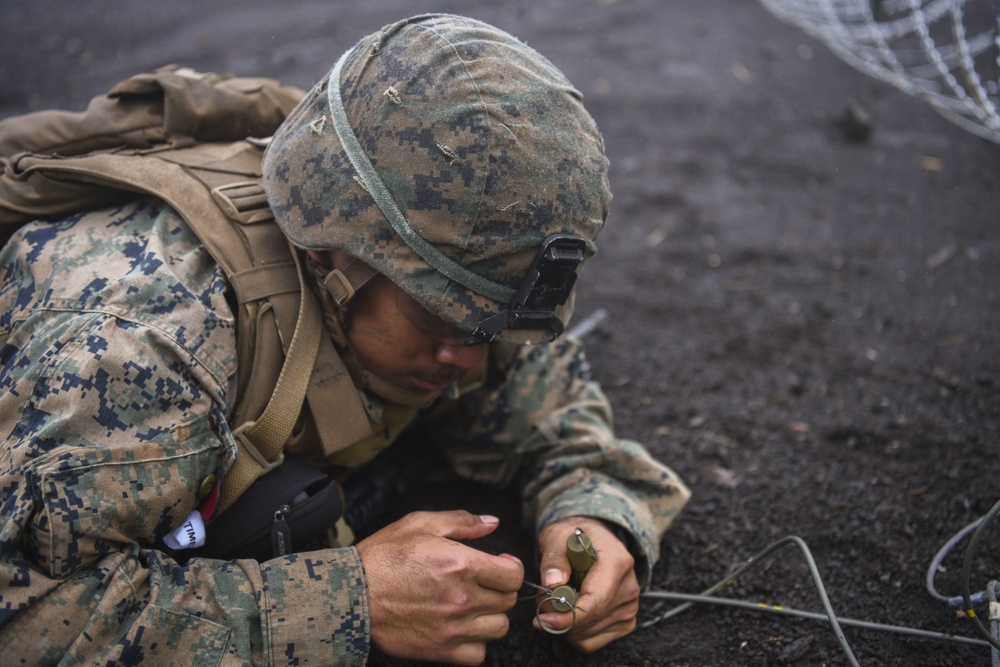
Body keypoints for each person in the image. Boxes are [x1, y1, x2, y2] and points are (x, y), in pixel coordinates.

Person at [0, 13, 690, 666]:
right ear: (336, 254)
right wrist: (346, 601)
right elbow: (27, 616)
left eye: (492, 327)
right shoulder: (145, 348)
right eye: (443, 322)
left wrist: (595, 518)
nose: (470, 357)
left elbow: (556, 420)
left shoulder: (446, 269)